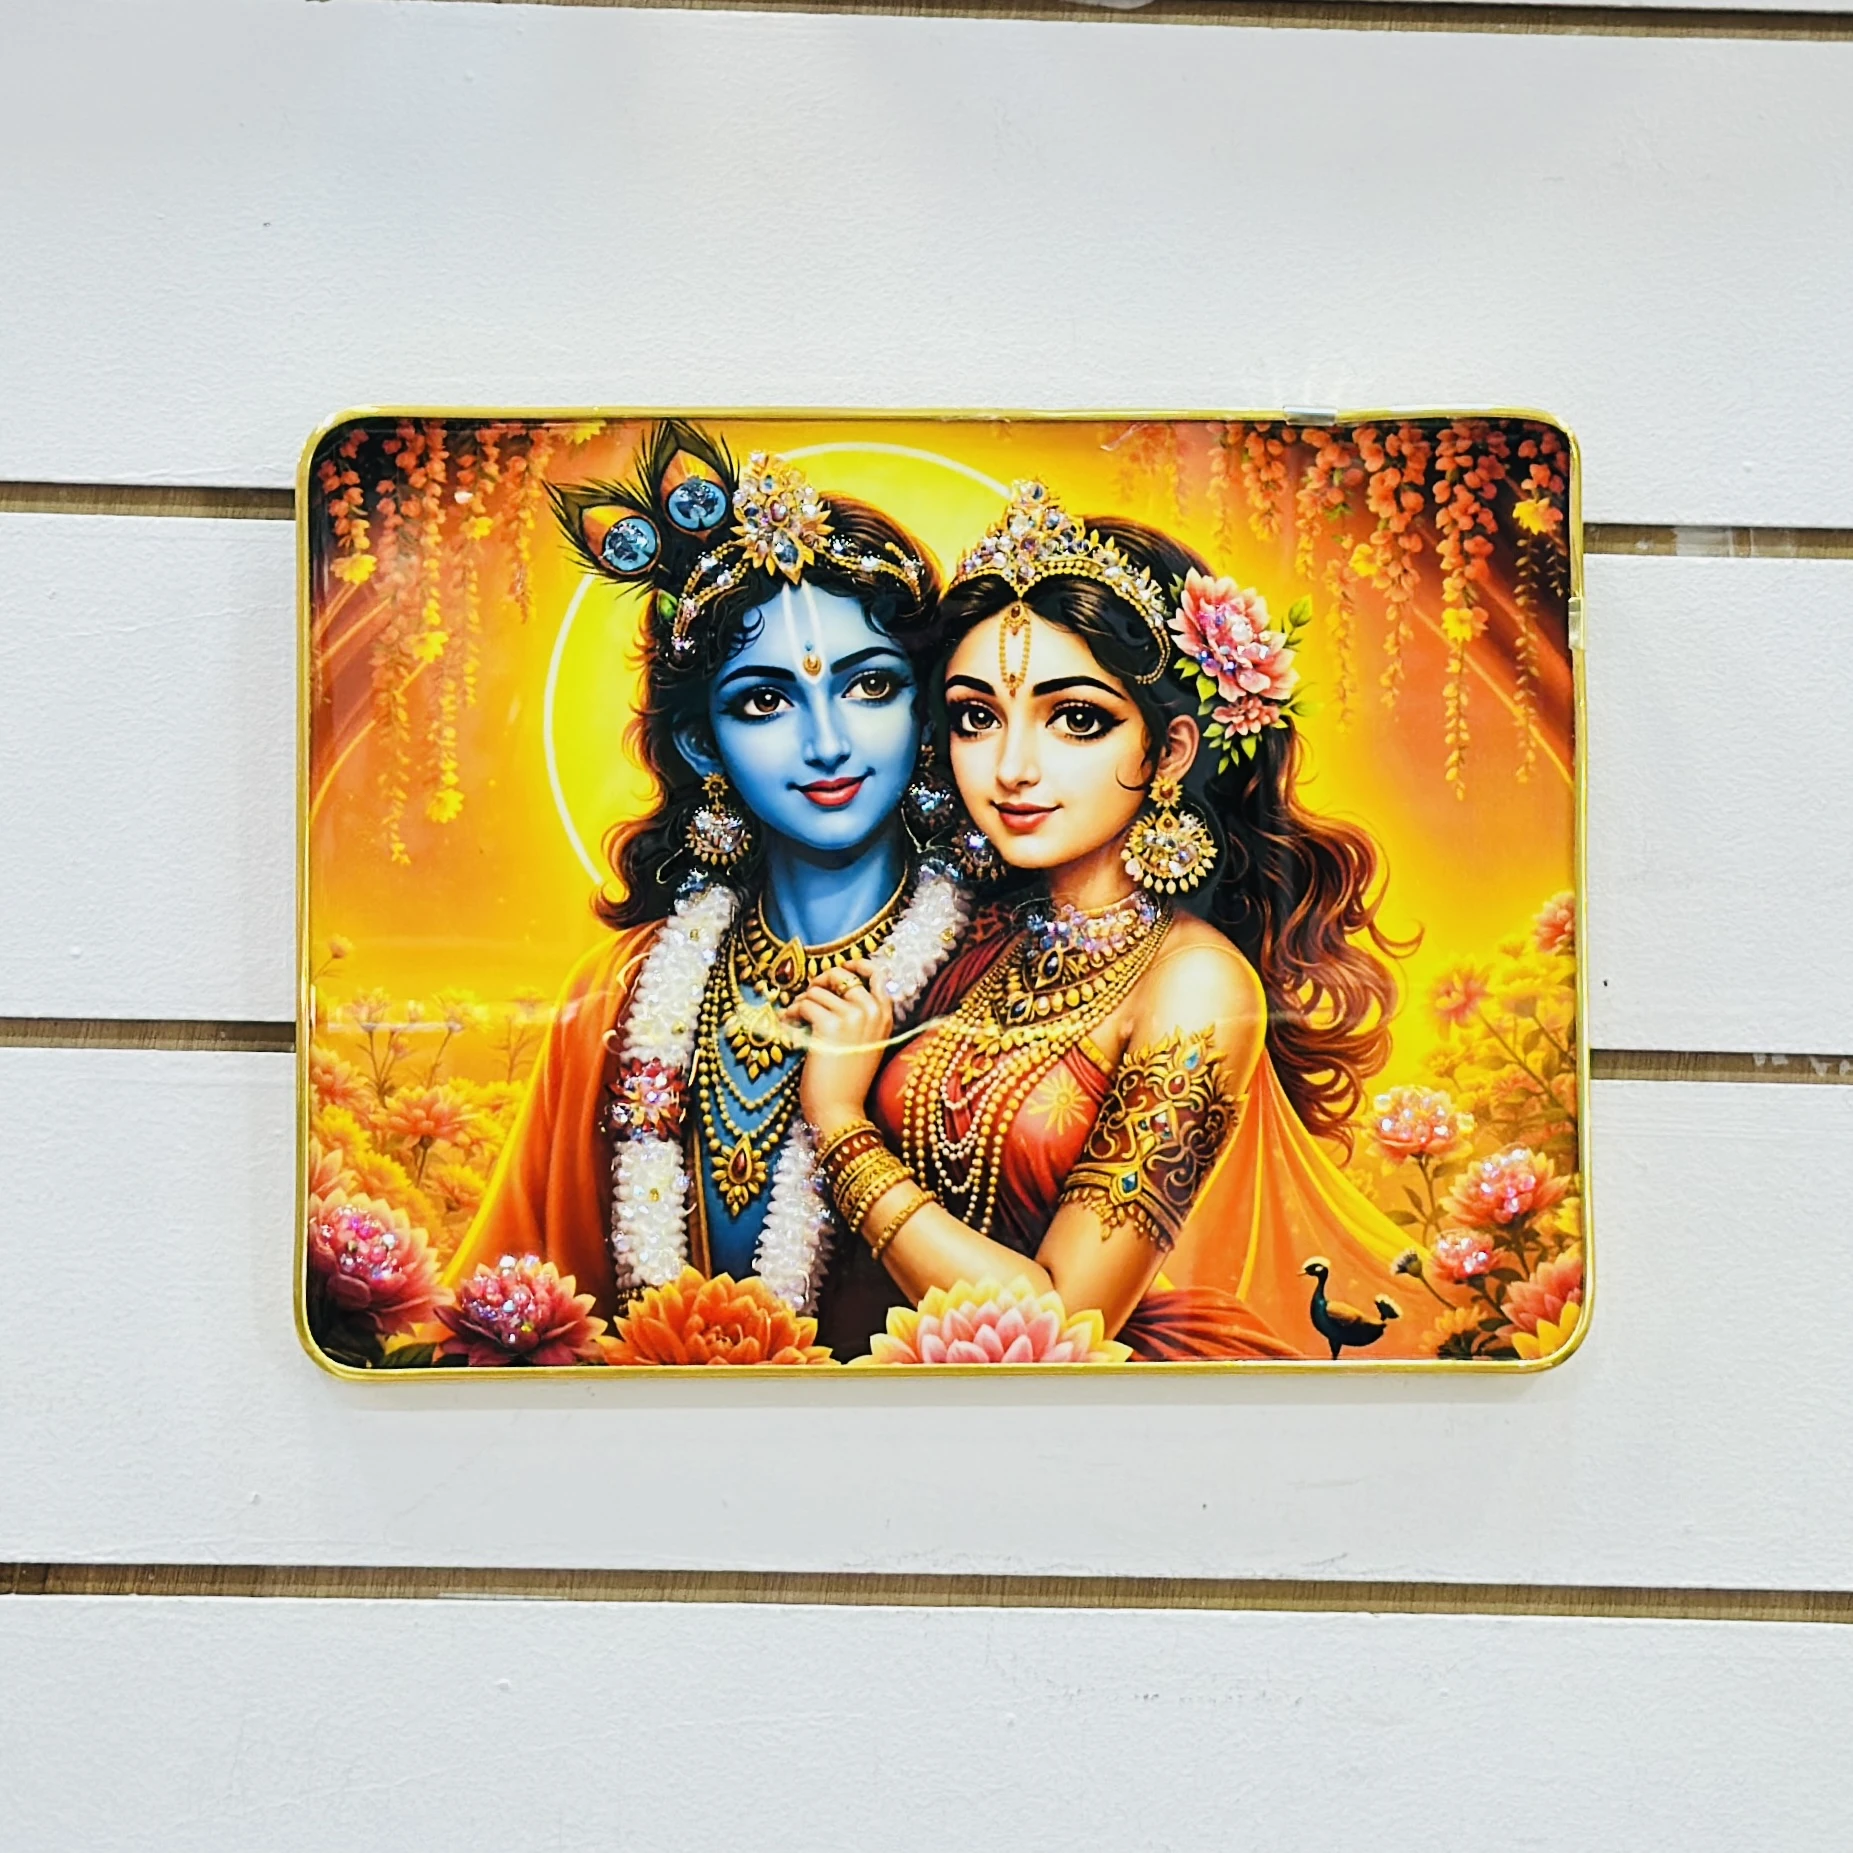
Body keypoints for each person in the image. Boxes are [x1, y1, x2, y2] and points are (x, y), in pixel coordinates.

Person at [790, 480, 1419, 1361]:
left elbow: (1062, 1320)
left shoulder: (1196, 986)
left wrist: (836, 1119)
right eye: (977, 717)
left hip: (1091, 1398)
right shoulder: (974, 930)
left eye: (1076, 719)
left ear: (1169, 751)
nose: (1012, 767)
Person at [446, 422, 971, 1352]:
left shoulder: (993, 974)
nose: (826, 744)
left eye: (869, 687)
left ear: (926, 710)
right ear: (702, 745)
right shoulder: (619, 992)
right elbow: (507, 1312)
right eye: (765, 701)